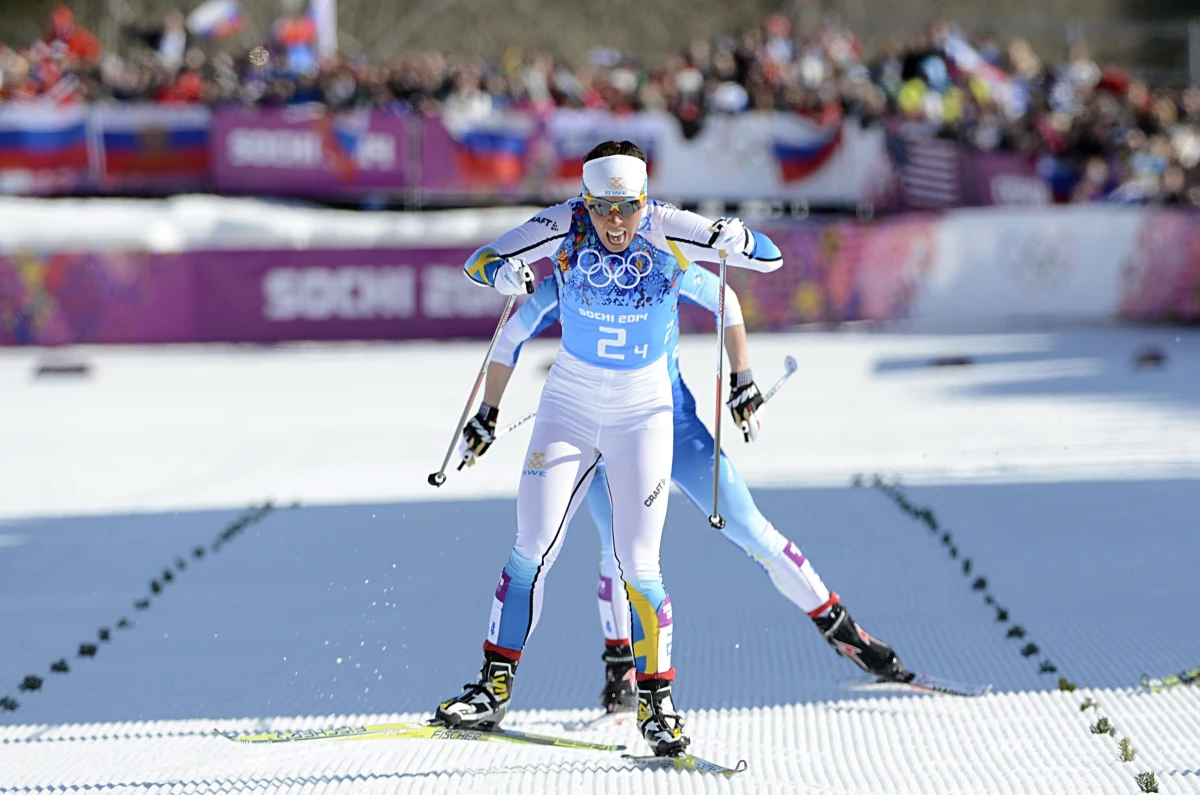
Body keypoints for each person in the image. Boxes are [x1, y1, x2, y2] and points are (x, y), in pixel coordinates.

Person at [434, 140, 781, 756]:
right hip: (568, 408)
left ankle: (659, 704)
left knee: (638, 563)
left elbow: (768, 258)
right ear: (585, 201)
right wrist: (500, 273)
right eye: (603, 209)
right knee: (529, 548)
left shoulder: (667, 226)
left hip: (642, 416)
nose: (616, 223)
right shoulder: (563, 223)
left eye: (627, 208)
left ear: (644, 200)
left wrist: (739, 239)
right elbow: (481, 259)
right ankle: (491, 687)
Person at [460, 261, 907, 717]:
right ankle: (621, 667)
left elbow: (725, 299)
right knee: (616, 551)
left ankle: (844, 632)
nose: (612, 241)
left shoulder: (660, 263)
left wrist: (742, 379)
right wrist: (487, 412)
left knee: (749, 528)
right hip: (595, 431)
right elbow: (512, 333)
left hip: (673, 425)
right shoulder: (574, 272)